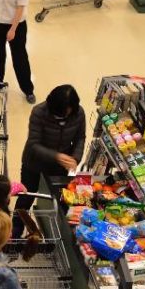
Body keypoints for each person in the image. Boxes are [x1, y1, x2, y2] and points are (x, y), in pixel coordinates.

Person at [14, 84, 86, 232]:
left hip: (58, 167)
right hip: (34, 162)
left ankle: (50, 232)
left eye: (67, 113)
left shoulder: (79, 113)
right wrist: (56, 156)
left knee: (54, 198)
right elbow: (33, 144)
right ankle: (16, 228)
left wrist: (75, 158)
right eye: (60, 114)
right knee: (27, 195)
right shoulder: (39, 112)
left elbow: (80, 138)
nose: (64, 117)